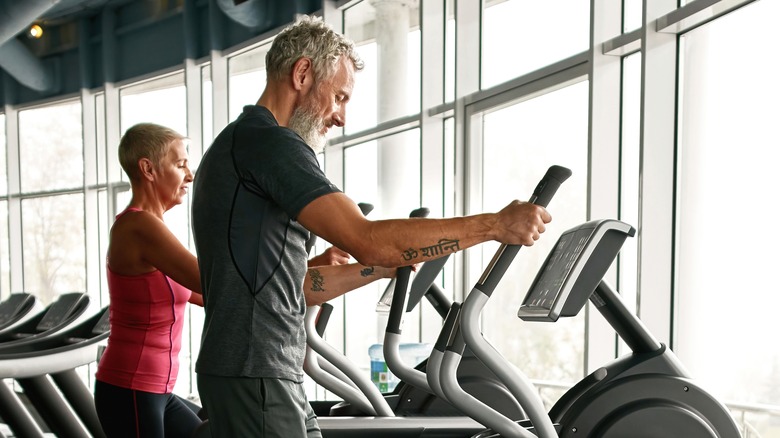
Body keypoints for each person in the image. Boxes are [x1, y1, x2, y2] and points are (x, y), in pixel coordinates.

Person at [190, 15, 551, 438]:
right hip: (257, 371)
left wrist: (381, 270)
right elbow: (367, 239)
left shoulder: (239, 143)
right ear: (303, 73)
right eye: (339, 97)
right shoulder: (271, 144)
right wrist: (495, 225)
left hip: (260, 369)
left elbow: (297, 285)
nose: (341, 117)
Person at [93, 123, 205, 438]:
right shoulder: (138, 226)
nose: (190, 175)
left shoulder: (152, 228)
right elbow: (210, 279)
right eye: (180, 164)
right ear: (149, 169)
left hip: (155, 390)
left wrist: (310, 267)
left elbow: (211, 293)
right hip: (130, 387)